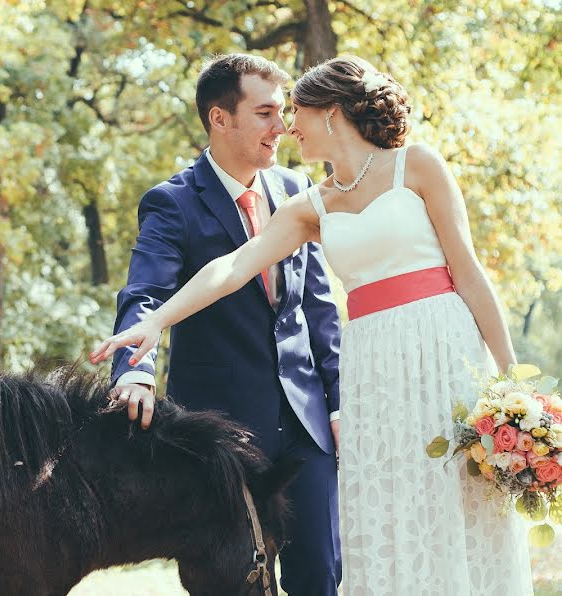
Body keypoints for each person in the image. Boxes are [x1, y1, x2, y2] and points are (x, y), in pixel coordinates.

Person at [92, 55, 535, 595]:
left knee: (455, 498)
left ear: (330, 112)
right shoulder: (311, 206)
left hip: (440, 345)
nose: (286, 126)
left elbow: (467, 271)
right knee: (387, 517)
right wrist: (155, 322)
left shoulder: (417, 165)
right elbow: (233, 267)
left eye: (293, 111)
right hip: (372, 362)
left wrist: (512, 378)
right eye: (272, 113)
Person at [102, 54, 342, 595]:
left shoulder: (297, 190)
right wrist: (134, 372)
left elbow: (320, 309)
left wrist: (340, 401)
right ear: (220, 118)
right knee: (231, 585)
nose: (282, 127)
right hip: (223, 437)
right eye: (265, 113)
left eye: (282, 113)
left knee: (321, 576)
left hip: (308, 426)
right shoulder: (173, 202)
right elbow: (146, 293)